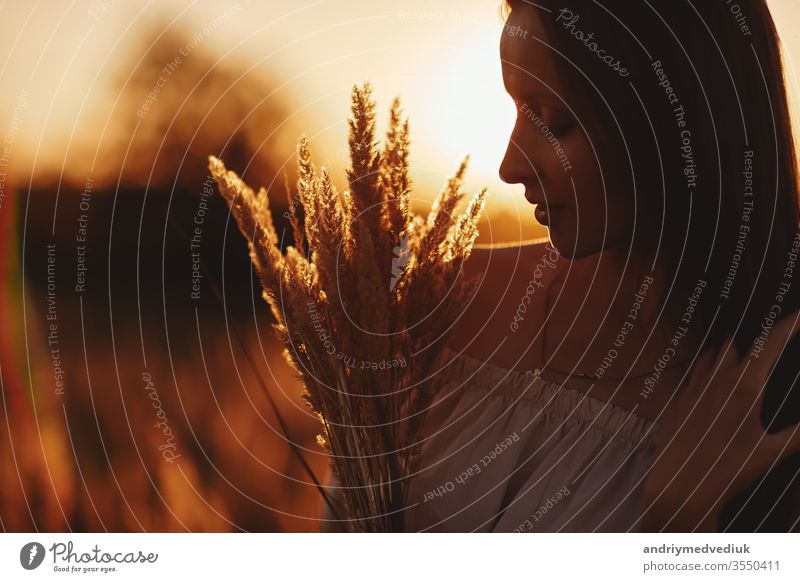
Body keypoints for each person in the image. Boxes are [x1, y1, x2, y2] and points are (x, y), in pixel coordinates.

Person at [321, 0, 800, 532]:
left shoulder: (767, 391)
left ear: (677, 118)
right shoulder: (441, 304)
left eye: (555, 120)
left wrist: (677, 525)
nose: (509, 166)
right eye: (517, 110)